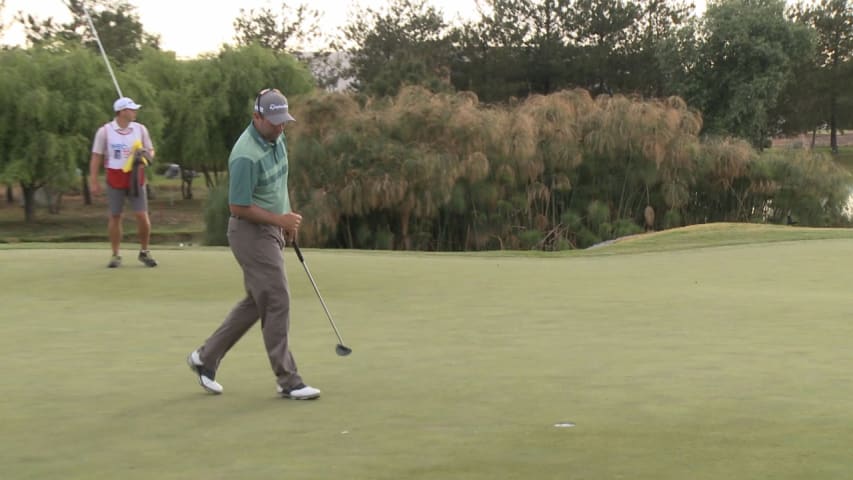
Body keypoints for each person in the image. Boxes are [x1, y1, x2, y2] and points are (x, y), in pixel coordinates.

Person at [186, 88, 320, 400]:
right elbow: (238, 207)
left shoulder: (277, 137)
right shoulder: (245, 155)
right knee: (277, 298)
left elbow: (278, 183)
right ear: (256, 117)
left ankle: (205, 358)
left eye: (283, 121)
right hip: (250, 233)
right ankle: (288, 380)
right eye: (274, 121)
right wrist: (280, 221)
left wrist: (287, 221)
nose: (280, 127)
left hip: (272, 228)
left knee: (257, 302)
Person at [89, 97, 158, 268]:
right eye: (132, 109)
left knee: (142, 215)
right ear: (122, 112)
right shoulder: (105, 131)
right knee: (115, 215)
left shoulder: (140, 129)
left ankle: (144, 251)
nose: (135, 112)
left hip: (136, 176)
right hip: (115, 176)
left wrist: (145, 155)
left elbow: (151, 150)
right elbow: (97, 156)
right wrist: (93, 180)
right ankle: (115, 254)